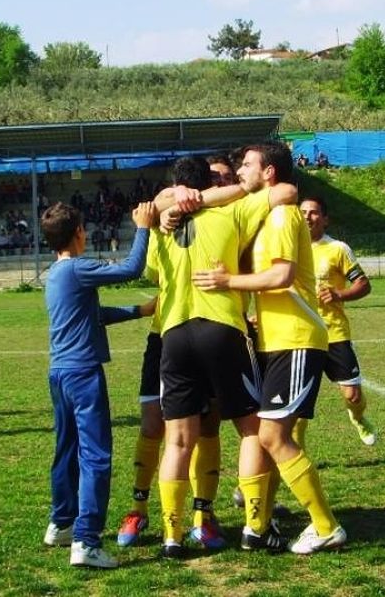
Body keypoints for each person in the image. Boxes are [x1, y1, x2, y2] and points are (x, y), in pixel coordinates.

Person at [193, 142, 346, 555]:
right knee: (268, 435)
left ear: (270, 173)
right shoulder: (267, 213)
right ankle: (258, 528)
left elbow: (281, 276)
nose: (240, 171)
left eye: (247, 165)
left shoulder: (280, 216)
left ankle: (325, 525)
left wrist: (227, 283)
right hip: (275, 341)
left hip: (295, 340)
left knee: (275, 436)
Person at [146, 154, 297, 559]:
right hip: (222, 328)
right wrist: (215, 199)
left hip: (174, 334)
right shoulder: (232, 210)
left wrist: (170, 208)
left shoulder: (162, 227)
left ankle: (172, 538)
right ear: (208, 186)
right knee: (251, 429)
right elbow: (284, 191)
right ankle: (254, 527)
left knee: (177, 441)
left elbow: (151, 274)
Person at [116, 153, 238, 550]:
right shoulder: (163, 220)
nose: (220, 185)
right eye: (214, 179)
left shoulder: (233, 215)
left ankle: (203, 515)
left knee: (208, 426)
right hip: (166, 333)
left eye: (226, 179)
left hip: (216, 326)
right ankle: (139, 508)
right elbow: (153, 269)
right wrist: (168, 207)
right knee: (154, 425)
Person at [40, 200, 156, 569]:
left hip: (60, 372)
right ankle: (86, 541)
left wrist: (137, 311)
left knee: (67, 449)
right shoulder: (78, 268)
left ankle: (62, 523)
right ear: (78, 234)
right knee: (96, 455)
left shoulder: (55, 274)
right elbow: (131, 268)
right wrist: (143, 226)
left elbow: (92, 315)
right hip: (83, 373)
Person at [300, 196, 377, 446]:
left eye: (313, 212)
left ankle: (358, 418)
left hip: (334, 333)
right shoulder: (289, 249)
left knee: (353, 396)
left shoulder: (338, 249)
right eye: (302, 212)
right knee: (297, 406)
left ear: (324, 219)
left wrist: (338, 294)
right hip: (301, 335)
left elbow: (363, 285)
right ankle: (294, 454)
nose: (307, 216)